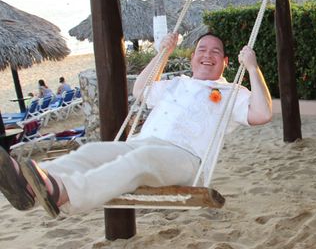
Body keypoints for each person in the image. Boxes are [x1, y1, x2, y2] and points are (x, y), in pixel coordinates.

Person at [0, 32, 272, 218]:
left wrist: (252, 67)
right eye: (201, 49)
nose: (207, 55)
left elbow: (262, 114)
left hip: (185, 159)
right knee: (90, 153)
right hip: (144, 143)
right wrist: (164, 52)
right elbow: (141, 90)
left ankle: (63, 193)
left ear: (225, 62)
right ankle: (28, 186)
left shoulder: (231, 93)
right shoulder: (176, 84)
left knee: (137, 160)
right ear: (192, 58)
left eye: (216, 52)